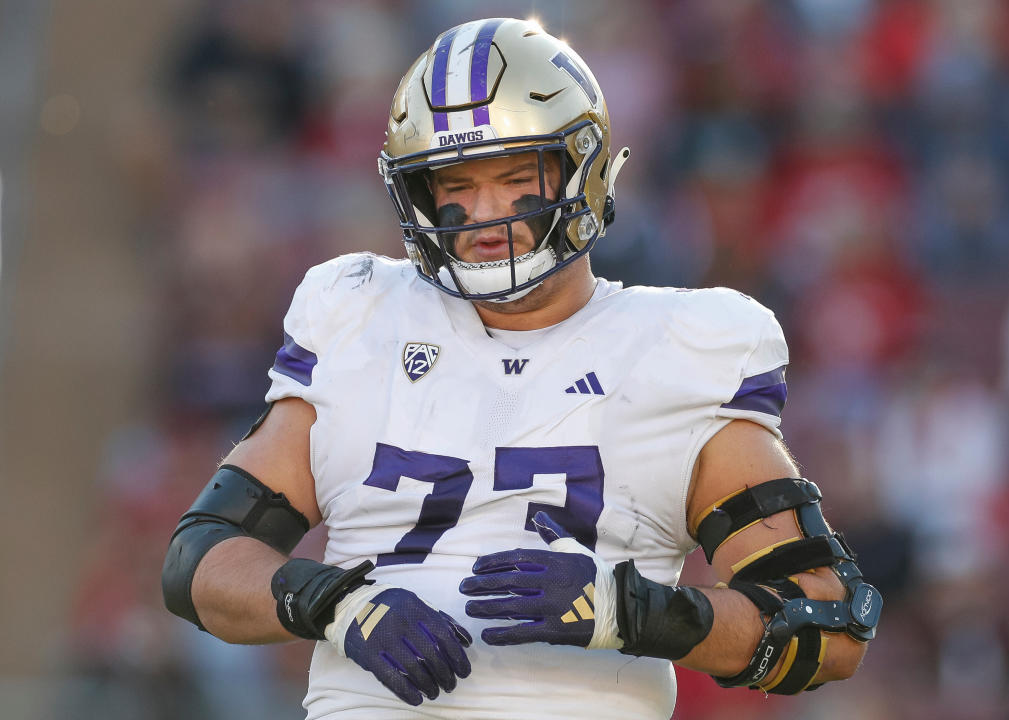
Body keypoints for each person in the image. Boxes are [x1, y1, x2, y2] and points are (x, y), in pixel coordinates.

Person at [162, 17, 880, 719]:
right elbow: (201, 561)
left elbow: (826, 623)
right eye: (456, 187)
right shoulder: (359, 316)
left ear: (583, 170)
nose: (484, 217)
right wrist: (332, 601)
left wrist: (632, 613)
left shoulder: (678, 347)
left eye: (515, 180)